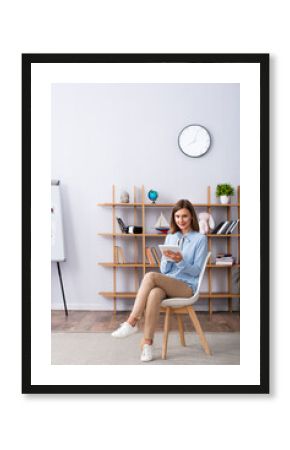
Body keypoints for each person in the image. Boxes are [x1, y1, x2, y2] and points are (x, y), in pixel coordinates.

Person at [111, 199, 208, 362]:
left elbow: (197, 270)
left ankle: (131, 322)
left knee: (150, 276)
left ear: (191, 217)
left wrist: (180, 261)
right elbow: (164, 270)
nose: (181, 220)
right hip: (169, 281)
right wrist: (169, 259)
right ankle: (148, 345)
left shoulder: (200, 239)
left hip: (187, 287)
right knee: (155, 293)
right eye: (177, 217)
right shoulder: (171, 237)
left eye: (184, 216)